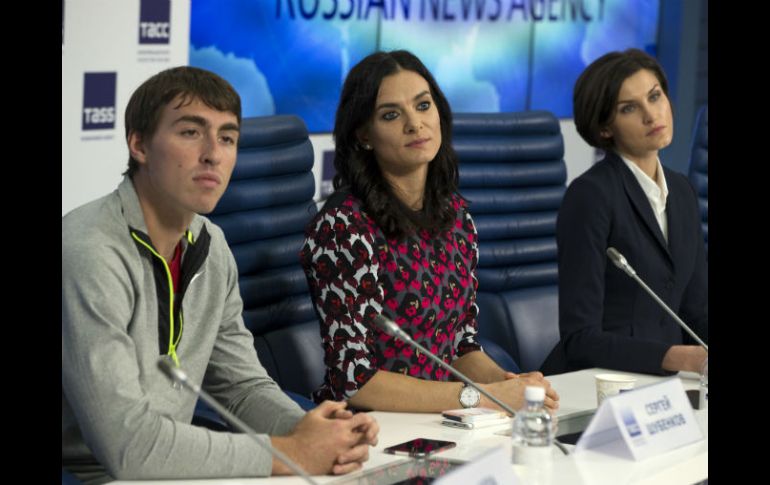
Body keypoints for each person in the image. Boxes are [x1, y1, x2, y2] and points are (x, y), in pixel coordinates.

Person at [62, 66, 378, 484]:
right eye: (191, 132)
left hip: (165, 467)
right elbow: (127, 445)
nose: (213, 152)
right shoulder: (89, 250)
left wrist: (312, 429)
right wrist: (290, 452)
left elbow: (241, 387)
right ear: (138, 144)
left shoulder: (211, 246)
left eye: (227, 138)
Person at [300, 50, 559, 414]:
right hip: (367, 430)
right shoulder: (343, 228)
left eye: (423, 106)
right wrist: (483, 397)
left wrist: (510, 385)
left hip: (442, 420)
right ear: (364, 136)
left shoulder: (457, 218)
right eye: (391, 115)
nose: (414, 124)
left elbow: (460, 346)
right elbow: (354, 382)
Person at [540, 49, 708, 376]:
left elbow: (696, 312)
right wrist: (676, 357)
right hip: (598, 384)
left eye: (655, 96)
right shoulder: (590, 196)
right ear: (605, 128)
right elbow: (580, 339)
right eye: (629, 108)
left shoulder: (683, 191)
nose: (651, 115)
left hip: (670, 386)